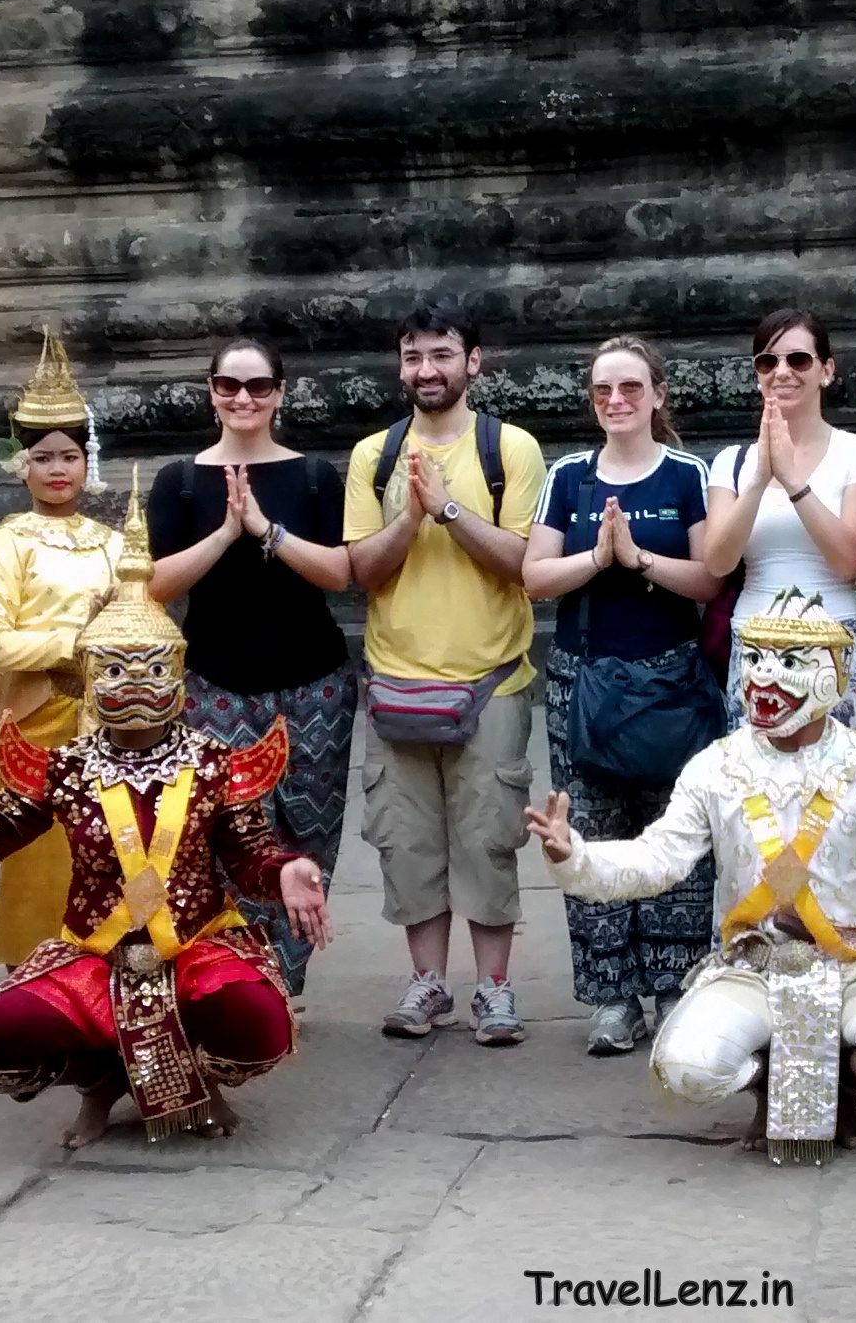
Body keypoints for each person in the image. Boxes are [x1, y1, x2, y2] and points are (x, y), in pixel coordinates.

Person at [0, 474, 325, 1148]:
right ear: (88, 673)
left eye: (150, 669)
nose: (134, 685)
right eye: (114, 670)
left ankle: (202, 1080)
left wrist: (286, 870)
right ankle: (99, 1082)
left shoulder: (211, 763)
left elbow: (252, 855)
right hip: (95, 953)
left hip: (197, 946)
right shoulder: (67, 767)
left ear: (177, 675)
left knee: (262, 1023)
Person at [524, 590, 856, 1164]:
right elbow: (657, 859)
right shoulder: (715, 766)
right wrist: (575, 857)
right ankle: (768, 1082)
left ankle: (842, 1077)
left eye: (789, 662)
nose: (766, 675)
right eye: (757, 657)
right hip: (752, 965)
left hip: (854, 962)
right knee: (688, 1069)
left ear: (830, 676)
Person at [344, 304, 547, 1046]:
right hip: (397, 678)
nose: (426, 370)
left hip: (489, 679)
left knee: (489, 838)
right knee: (408, 842)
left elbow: (524, 561)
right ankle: (427, 982)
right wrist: (411, 517)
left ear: (474, 362)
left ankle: (494, 988)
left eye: (441, 354)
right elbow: (358, 569)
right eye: (412, 357)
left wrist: (450, 507)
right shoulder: (374, 454)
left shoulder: (510, 448)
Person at [522, 336, 724, 1056]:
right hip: (584, 677)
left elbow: (709, 578)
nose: (617, 401)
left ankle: (674, 985)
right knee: (589, 831)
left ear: (657, 395)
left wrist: (638, 559)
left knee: (678, 834)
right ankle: (612, 997)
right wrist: (597, 558)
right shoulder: (569, 477)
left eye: (631, 387)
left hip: (670, 674)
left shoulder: (685, 476)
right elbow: (534, 576)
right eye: (604, 389)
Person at [148, 338, 355, 999]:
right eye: (230, 385)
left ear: (280, 392)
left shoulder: (316, 475)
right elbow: (152, 584)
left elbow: (342, 572)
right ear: (210, 390)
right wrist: (225, 532)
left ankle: (286, 977)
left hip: (313, 682)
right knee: (230, 834)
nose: (244, 398)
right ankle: (241, 980)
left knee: (308, 835)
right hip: (215, 684)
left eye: (259, 386)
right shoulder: (181, 480)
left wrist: (267, 528)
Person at [705, 309, 856, 925]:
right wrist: (762, 477)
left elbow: (848, 559)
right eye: (768, 361)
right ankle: (757, 958)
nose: (781, 372)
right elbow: (716, 558)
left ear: (827, 371)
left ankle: (852, 953)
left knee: (838, 813)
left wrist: (796, 482)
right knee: (757, 814)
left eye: (798, 359)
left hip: (837, 653)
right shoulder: (732, 461)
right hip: (755, 656)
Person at [0, 328, 121, 968]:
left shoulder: (114, 542)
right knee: (36, 865)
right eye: (43, 458)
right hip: (38, 725)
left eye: (69, 457)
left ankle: (106, 985)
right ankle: (31, 990)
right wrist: (76, 644)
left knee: (113, 858)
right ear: (21, 465)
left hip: (113, 726)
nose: (57, 470)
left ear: (88, 463)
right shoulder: (8, 543)